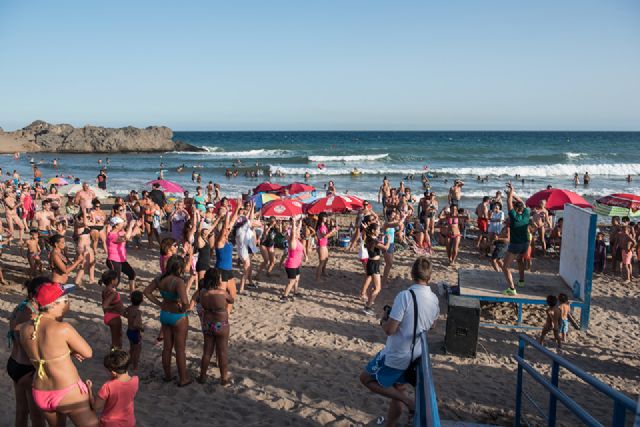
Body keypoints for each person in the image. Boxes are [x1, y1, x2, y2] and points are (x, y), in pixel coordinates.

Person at [360, 257, 439, 426]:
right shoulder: (434, 299)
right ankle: (391, 424)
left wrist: (383, 320)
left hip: (397, 353)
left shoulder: (405, 296)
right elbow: (432, 325)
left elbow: (390, 330)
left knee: (366, 378)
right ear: (429, 277)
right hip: (416, 354)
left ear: (412, 274)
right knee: (397, 389)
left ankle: (409, 402)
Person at [19, 282, 99, 426]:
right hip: (68, 391)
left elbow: (44, 353)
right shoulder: (63, 328)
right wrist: (71, 350)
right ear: (54, 304)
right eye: (66, 301)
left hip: (41, 391)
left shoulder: (25, 328)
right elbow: (88, 353)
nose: (68, 305)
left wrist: (66, 351)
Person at [143, 255, 191, 386]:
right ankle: (183, 379)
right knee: (180, 349)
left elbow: (147, 292)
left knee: (167, 348)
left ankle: (167, 376)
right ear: (179, 268)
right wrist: (184, 309)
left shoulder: (160, 278)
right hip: (177, 316)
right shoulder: (178, 282)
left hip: (165, 313)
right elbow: (185, 302)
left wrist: (159, 303)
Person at [7, 277, 47, 427]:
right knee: (37, 417)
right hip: (27, 369)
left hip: (14, 364)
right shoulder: (32, 315)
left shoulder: (20, 307)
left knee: (21, 411)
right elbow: (32, 346)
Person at [192, 268, 234, 385]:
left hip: (208, 324)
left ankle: (202, 376)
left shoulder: (202, 293)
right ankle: (224, 378)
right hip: (221, 325)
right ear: (217, 280)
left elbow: (196, 299)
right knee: (222, 352)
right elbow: (231, 300)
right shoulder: (222, 292)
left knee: (207, 352)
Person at [86, 350, 139, 427]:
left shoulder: (108, 386)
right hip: (129, 421)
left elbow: (95, 406)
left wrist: (89, 390)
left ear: (113, 372)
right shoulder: (135, 380)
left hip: (111, 423)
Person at [501, 184, 531, 295]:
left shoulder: (513, 216)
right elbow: (522, 203)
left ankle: (512, 288)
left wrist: (510, 194)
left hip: (516, 244)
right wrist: (513, 193)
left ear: (516, 208)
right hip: (525, 244)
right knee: (519, 260)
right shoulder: (527, 214)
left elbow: (508, 203)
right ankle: (521, 281)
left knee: (505, 267)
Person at [360, 223, 391, 316]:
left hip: (372, 263)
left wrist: (380, 238)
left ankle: (368, 303)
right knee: (378, 288)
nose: (379, 231)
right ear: (373, 231)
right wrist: (388, 240)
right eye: (378, 229)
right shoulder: (373, 240)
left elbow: (376, 243)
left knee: (374, 286)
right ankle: (367, 307)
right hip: (374, 265)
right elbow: (385, 248)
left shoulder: (369, 238)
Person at [106, 216, 140, 292]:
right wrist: (131, 225)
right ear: (116, 225)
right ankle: (109, 295)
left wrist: (136, 226)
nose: (124, 224)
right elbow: (126, 238)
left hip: (121, 260)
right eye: (122, 223)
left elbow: (131, 235)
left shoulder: (120, 232)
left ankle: (132, 292)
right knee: (116, 281)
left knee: (132, 274)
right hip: (113, 260)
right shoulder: (111, 235)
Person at [100, 270, 124, 351]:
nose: (118, 280)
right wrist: (116, 308)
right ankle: (115, 355)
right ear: (112, 281)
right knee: (117, 339)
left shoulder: (105, 290)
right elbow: (105, 305)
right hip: (114, 317)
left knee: (115, 338)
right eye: (117, 278)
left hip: (108, 316)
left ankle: (113, 353)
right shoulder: (113, 293)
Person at [281, 218, 304, 301]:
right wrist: (294, 222)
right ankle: (284, 296)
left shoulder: (298, 241)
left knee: (297, 278)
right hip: (291, 264)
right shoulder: (292, 241)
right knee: (292, 281)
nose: (299, 232)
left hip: (296, 264)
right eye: (297, 232)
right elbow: (294, 232)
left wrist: (301, 221)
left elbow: (297, 230)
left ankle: (295, 292)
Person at [123, 291, 144, 371]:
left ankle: (130, 361)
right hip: (135, 333)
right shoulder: (138, 312)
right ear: (141, 301)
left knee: (132, 348)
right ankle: (135, 366)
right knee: (137, 350)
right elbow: (135, 324)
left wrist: (128, 317)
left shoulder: (129, 308)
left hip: (129, 331)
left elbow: (124, 312)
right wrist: (141, 328)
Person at [315, 213, 339, 281]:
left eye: (326, 217)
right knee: (321, 262)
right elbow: (325, 236)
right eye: (325, 217)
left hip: (324, 245)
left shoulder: (324, 226)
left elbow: (328, 236)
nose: (326, 218)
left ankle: (323, 272)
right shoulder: (320, 227)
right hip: (321, 246)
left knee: (326, 259)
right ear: (321, 218)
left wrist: (334, 231)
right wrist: (332, 231)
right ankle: (317, 278)